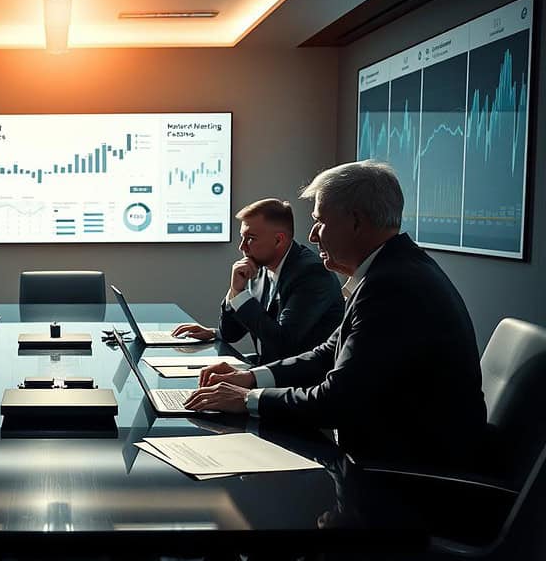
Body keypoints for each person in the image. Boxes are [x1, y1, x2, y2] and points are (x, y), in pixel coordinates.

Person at [184, 161, 487, 470]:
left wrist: (248, 399)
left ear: (356, 222)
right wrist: (249, 379)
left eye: (320, 221)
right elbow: (327, 353)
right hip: (394, 453)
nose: (313, 236)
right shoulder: (393, 270)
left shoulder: (392, 285)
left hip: (409, 473)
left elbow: (337, 402)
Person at [171, 198, 344, 364]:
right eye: (242, 237)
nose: (242, 247)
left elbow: (282, 343)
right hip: (268, 368)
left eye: (251, 238)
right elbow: (231, 333)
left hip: (301, 382)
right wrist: (233, 293)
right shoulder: (259, 267)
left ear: (278, 240)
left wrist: (239, 295)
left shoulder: (311, 274)